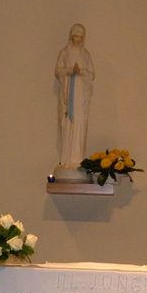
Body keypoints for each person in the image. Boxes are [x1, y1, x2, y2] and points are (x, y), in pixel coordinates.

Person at [54, 23, 95, 179]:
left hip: (80, 99)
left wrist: (81, 72)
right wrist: (70, 70)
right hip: (68, 96)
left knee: (79, 125)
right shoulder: (64, 53)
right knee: (67, 126)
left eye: (80, 36)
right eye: (75, 35)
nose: (77, 39)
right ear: (71, 36)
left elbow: (92, 74)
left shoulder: (86, 55)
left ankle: (77, 159)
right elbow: (58, 71)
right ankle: (66, 160)